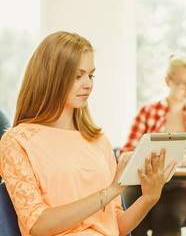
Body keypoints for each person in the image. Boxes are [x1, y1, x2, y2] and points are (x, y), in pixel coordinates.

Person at [0, 31, 176, 236]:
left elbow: (116, 226)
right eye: (78, 76)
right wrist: (109, 192)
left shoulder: (99, 142)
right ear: (51, 77)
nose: (88, 84)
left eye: (91, 75)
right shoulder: (17, 141)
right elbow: (37, 224)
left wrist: (149, 198)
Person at [120, 52, 186, 236]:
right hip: (143, 183)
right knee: (130, 217)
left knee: (166, 219)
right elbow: (126, 152)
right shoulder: (148, 111)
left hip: (180, 187)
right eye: (182, 84)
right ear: (168, 81)